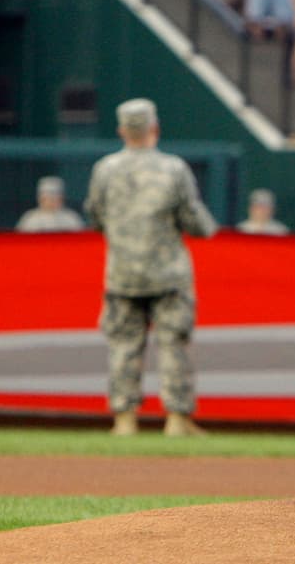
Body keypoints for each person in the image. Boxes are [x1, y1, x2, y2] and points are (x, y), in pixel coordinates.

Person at [84, 99, 218, 437]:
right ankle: (177, 419)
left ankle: (124, 419)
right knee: (173, 344)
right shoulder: (173, 169)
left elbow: (95, 217)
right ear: (154, 128)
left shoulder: (105, 169)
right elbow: (195, 221)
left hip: (122, 274)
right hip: (169, 274)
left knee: (123, 346)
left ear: (122, 131)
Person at [15, 176, 85, 232]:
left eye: (55, 198)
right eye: (47, 198)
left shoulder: (72, 218)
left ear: (61, 198)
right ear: (40, 199)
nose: (51, 201)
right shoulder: (30, 219)